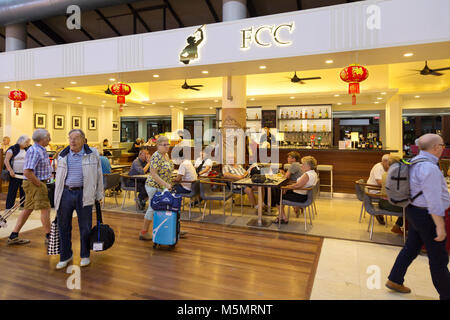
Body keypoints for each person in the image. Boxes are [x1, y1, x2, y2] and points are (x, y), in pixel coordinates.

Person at [386, 133, 450, 300]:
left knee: (411, 248)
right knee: (438, 259)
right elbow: (433, 200)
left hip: (413, 211)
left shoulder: (414, 161)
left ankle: (395, 279)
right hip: (427, 215)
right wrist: (440, 226)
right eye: (442, 145)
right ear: (436, 148)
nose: (443, 148)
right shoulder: (429, 168)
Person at [53, 129, 104, 269]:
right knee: (63, 226)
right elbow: (58, 177)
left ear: (83, 139)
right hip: (65, 193)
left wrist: (99, 194)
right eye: (70, 138)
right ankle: (65, 255)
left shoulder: (92, 154)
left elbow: (99, 175)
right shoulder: (62, 155)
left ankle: (85, 255)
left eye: (76, 138)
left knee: (85, 227)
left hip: (84, 193)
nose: (72, 141)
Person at [7, 129, 52, 245]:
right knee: (45, 209)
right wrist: (39, 184)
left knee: (27, 209)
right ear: (42, 139)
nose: (50, 140)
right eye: (48, 137)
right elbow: (27, 172)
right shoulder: (35, 151)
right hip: (35, 183)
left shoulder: (39, 149)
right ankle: (50, 237)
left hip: (35, 182)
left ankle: (14, 235)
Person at [140, 136, 173, 241]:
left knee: (166, 207)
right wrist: (166, 184)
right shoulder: (156, 156)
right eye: (164, 145)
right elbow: (153, 174)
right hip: (153, 186)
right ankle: (143, 232)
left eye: (168, 144)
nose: (167, 146)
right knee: (152, 208)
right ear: (158, 146)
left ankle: (170, 228)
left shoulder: (166, 155)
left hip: (162, 187)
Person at [273, 156, 318, 224]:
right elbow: (299, 184)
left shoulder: (307, 175)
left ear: (308, 166)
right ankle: (280, 216)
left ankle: (283, 218)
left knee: (277, 198)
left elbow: (298, 185)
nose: (301, 166)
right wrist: (288, 187)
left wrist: (287, 187)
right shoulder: (313, 173)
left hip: (300, 197)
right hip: (304, 195)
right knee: (281, 193)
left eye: (303, 164)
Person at [4, 135, 31, 210]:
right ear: (21, 141)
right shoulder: (12, 149)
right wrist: (10, 170)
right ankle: (9, 207)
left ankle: (23, 206)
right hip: (14, 174)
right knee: (12, 191)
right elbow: (6, 160)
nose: (28, 144)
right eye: (26, 142)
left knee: (24, 190)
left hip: (25, 174)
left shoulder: (27, 149)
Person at [379, 156, 404, 235]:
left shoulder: (385, 174)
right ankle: (398, 226)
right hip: (390, 204)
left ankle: (398, 226)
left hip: (382, 202)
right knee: (410, 208)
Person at [367, 154, 390, 225]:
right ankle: (380, 212)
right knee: (392, 197)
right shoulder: (378, 167)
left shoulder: (385, 168)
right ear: (384, 161)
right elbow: (379, 182)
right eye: (389, 163)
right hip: (374, 190)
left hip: (379, 189)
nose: (390, 165)